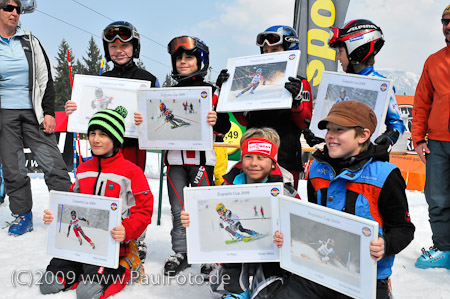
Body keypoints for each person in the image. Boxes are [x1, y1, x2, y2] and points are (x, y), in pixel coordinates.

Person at [273, 101, 415, 299]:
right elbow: (315, 220)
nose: (330, 136)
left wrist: (385, 244)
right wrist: (290, 235)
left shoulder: (385, 176)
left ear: (363, 135)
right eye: (329, 129)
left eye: (339, 130)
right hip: (319, 269)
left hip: (368, 277)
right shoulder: (316, 169)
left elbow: (404, 229)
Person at [135, 35, 231, 276]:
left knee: (205, 207)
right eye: (178, 58)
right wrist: (143, 121)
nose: (183, 62)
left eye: (189, 57)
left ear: (201, 61)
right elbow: (156, 123)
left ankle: (210, 252)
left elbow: (227, 127)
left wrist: (216, 119)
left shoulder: (212, 91)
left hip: (202, 161)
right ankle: (181, 251)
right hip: (175, 161)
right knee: (178, 210)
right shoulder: (167, 93)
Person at [65, 21, 159, 261]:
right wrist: (74, 109)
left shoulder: (147, 78)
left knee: (133, 192)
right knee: (104, 188)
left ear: (134, 47)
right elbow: (89, 110)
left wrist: (146, 118)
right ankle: (100, 229)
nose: (119, 50)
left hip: (132, 146)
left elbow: (158, 116)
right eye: (113, 46)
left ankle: (136, 236)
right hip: (105, 148)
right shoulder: (100, 79)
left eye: (125, 45)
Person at [40, 106, 154, 299]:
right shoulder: (83, 169)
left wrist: (127, 229)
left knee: (88, 292)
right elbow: (70, 203)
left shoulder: (131, 172)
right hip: (78, 247)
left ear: (116, 139)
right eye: (92, 133)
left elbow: (144, 209)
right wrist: (55, 215)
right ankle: (82, 271)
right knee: (49, 284)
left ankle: (126, 267)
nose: (95, 139)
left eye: (103, 134)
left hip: (113, 248)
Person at [181, 127, 299, 299]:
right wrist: (192, 218)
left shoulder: (285, 190)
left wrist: (287, 235)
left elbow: (298, 224)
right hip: (237, 251)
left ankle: (267, 288)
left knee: (271, 276)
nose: (254, 163)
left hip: (270, 253)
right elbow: (209, 215)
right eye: (248, 157)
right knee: (232, 256)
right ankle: (237, 291)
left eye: (261, 157)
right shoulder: (228, 186)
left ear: (273, 163)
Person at [0, 0, 72, 236]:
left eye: (17, 9)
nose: (14, 12)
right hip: (4, 114)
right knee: (13, 168)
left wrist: (49, 112)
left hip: (33, 112)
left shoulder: (30, 41)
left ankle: (68, 213)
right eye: (7, 7)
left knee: (52, 163)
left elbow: (45, 79)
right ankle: (23, 215)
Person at [220, 25, 313, 190]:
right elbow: (243, 120)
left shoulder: (300, 82)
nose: (269, 55)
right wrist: (229, 93)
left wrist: (297, 101)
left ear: (289, 50)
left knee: (283, 208)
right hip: (255, 156)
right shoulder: (258, 80)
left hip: (285, 157)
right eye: (266, 51)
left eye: (275, 50)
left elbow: (305, 123)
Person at [412, 4, 450, 270]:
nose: (448, 26)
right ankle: (445, 249)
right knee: (437, 199)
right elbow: (421, 103)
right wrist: (419, 139)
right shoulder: (434, 61)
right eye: (444, 22)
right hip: (438, 142)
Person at [328, 19, 406, 149]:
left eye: (340, 52)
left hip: (367, 159)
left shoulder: (381, 85)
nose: (337, 57)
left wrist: (389, 138)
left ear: (356, 51)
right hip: (341, 155)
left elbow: (396, 123)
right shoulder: (340, 84)